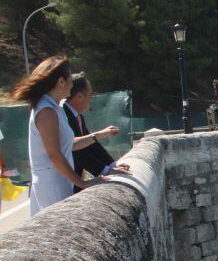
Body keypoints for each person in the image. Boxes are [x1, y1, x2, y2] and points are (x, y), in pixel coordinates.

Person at [10, 56, 108, 216]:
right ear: (61, 81)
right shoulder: (46, 111)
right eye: (70, 78)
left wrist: (98, 135)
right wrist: (82, 183)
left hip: (57, 182)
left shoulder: (54, 108)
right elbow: (54, 154)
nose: (72, 83)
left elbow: (67, 144)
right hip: (51, 185)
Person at [62, 72, 130, 193]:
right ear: (79, 96)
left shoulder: (76, 115)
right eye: (91, 95)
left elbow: (91, 144)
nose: (92, 99)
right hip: (63, 184)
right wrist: (105, 170)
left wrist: (112, 165)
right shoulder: (64, 115)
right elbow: (76, 150)